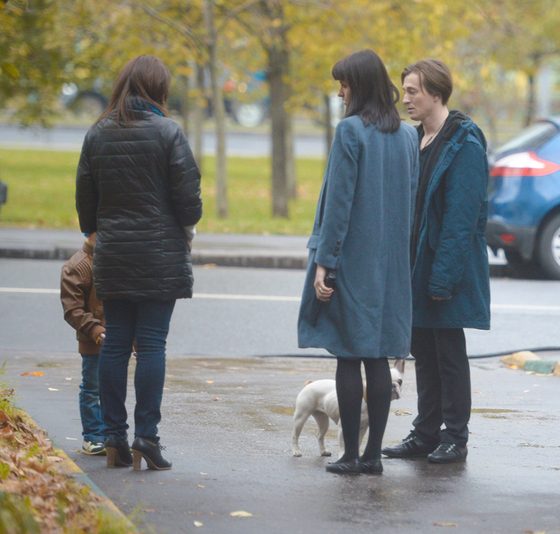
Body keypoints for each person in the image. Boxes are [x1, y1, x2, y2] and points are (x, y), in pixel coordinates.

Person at [76, 55, 202, 471]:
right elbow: (189, 204)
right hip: (160, 256)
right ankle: (146, 437)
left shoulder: (97, 133)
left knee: (114, 344)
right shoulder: (168, 132)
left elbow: (85, 204)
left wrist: (101, 229)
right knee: (151, 345)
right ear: (159, 90)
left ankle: (113, 437)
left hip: (113, 253)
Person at [298, 49, 419, 475]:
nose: (340, 92)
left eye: (344, 84)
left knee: (349, 356)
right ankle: (373, 456)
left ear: (359, 86)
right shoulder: (408, 136)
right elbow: (410, 202)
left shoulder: (350, 131)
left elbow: (339, 204)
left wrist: (324, 262)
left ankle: (350, 454)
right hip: (392, 266)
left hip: (352, 261)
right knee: (379, 357)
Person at [382, 59, 490, 464]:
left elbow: (462, 220)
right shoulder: (415, 139)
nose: (405, 99)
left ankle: (455, 437)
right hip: (415, 264)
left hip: (446, 266)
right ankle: (425, 433)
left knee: (448, 353)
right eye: (405, 91)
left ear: (436, 94)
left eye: (413, 91)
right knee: (423, 352)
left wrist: (443, 279)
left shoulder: (464, 143)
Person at [60, 232, 106, 456]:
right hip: (93, 340)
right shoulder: (77, 265)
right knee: (92, 389)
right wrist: (96, 330)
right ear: (90, 234)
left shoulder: (114, 260)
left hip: (117, 340)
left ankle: (111, 435)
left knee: (111, 390)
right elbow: (73, 310)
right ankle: (93, 436)